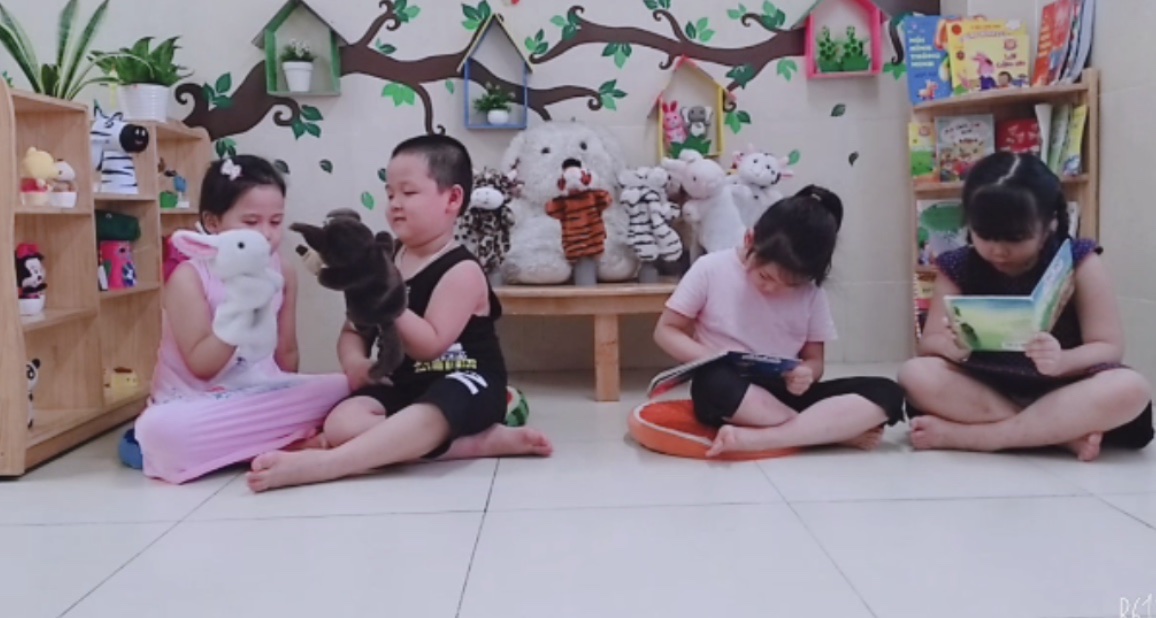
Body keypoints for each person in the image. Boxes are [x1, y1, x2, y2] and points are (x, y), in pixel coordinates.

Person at [246, 135, 552, 492]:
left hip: (465, 379)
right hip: (404, 384)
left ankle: (328, 465)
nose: (395, 204)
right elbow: (355, 329)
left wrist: (386, 295)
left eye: (409, 192)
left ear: (452, 199)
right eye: (390, 194)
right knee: (342, 424)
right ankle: (469, 445)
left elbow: (429, 346)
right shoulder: (385, 259)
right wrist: (355, 363)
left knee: (434, 410)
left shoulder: (462, 270)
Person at [898, 152, 1153, 461]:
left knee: (1131, 388)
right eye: (984, 235)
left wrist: (1062, 361)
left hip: (1065, 388)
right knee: (915, 374)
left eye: (1016, 238)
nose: (998, 250)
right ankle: (1058, 436)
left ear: (1049, 225)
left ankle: (982, 437)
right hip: (986, 386)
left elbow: (1109, 347)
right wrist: (954, 348)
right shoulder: (958, 265)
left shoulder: (1080, 261)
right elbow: (929, 343)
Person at [133, 155, 350, 484]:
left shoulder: (282, 270)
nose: (266, 234)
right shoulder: (189, 277)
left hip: (258, 396)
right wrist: (243, 307)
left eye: (275, 221)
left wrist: (286, 398)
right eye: (251, 222)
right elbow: (203, 366)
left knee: (344, 386)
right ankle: (286, 441)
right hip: (197, 403)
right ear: (213, 223)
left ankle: (271, 439)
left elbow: (287, 351)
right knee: (159, 430)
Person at [653, 185, 905, 457]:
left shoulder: (811, 293)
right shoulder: (711, 269)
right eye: (766, 277)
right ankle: (826, 431)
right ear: (750, 239)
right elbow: (666, 330)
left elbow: (814, 361)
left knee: (887, 392)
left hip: (783, 393)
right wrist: (709, 357)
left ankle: (766, 437)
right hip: (734, 391)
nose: (772, 289)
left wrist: (806, 374)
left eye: (791, 285)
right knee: (712, 383)